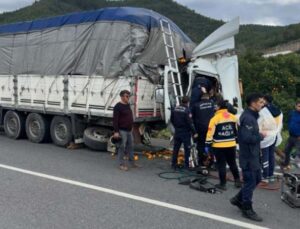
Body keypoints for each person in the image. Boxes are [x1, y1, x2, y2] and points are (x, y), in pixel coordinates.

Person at [230, 93, 266, 222]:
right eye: (261, 102)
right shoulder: (248, 118)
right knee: (250, 181)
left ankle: (237, 199)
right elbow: (246, 138)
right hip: (248, 156)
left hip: (254, 155)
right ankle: (247, 208)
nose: (263, 104)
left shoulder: (252, 116)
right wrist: (261, 136)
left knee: (257, 179)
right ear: (253, 103)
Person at [205, 99, 241, 190]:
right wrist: (236, 140)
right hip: (231, 144)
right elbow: (237, 130)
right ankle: (237, 181)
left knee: (221, 165)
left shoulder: (214, 119)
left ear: (219, 107)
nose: (215, 107)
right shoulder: (233, 117)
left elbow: (210, 133)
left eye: (216, 106)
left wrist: (207, 145)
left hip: (218, 146)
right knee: (232, 163)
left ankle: (222, 184)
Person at [113, 90, 139, 171]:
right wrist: (116, 132)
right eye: (126, 96)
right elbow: (115, 120)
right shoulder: (117, 106)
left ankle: (132, 163)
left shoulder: (127, 105)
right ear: (122, 97)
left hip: (129, 130)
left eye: (129, 96)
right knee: (122, 147)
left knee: (131, 146)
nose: (128, 98)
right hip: (122, 130)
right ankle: (121, 164)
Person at [258, 95, 282, 183]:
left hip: (265, 136)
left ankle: (265, 175)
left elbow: (259, 124)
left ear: (265, 101)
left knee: (265, 156)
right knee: (271, 156)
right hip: (274, 135)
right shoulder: (278, 110)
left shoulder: (263, 111)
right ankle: (271, 175)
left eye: (262, 100)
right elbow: (280, 124)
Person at [171, 96, 198, 169]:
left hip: (177, 131)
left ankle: (174, 164)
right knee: (187, 149)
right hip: (185, 132)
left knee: (176, 148)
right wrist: (194, 132)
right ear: (188, 102)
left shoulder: (175, 108)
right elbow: (190, 123)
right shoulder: (187, 110)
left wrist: (176, 127)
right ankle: (186, 165)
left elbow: (171, 119)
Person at [191, 93, 215, 165]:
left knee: (201, 145)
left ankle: (201, 162)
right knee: (210, 145)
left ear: (201, 98)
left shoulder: (196, 105)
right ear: (207, 97)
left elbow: (193, 118)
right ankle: (211, 162)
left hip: (200, 129)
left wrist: (194, 131)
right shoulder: (212, 103)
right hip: (211, 129)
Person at [281, 100, 300, 169]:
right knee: (287, 150)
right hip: (291, 136)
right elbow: (289, 121)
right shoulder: (292, 113)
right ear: (295, 106)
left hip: (298, 137)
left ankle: (297, 169)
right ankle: (286, 163)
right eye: (299, 106)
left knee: (298, 153)